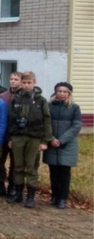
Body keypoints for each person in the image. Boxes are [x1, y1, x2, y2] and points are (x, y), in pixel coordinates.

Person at [7, 71, 52, 208]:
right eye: (24, 83)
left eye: (29, 83)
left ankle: (31, 196)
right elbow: (11, 119)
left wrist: (45, 141)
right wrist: (10, 137)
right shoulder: (16, 98)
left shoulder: (41, 100)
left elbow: (47, 120)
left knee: (31, 167)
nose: (26, 85)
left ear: (34, 83)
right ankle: (18, 193)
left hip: (34, 137)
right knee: (18, 166)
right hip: (18, 136)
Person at [43, 82, 82, 210]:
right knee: (53, 172)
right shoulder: (49, 106)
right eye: (60, 91)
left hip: (67, 144)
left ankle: (62, 198)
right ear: (56, 92)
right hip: (52, 143)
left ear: (69, 94)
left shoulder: (74, 108)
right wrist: (52, 139)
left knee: (64, 173)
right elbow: (45, 123)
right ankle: (54, 196)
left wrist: (62, 140)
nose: (62, 94)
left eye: (65, 92)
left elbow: (76, 126)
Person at [0, 71, 22, 196]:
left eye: (16, 79)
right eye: (11, 79)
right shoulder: (2, 96)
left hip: (17, 134)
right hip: (3, 133)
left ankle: (13, 186)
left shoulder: (24, 97)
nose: (13, 81)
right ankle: (0, 184)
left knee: (15, 163)